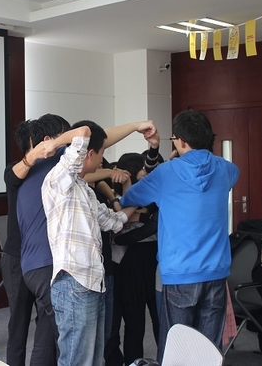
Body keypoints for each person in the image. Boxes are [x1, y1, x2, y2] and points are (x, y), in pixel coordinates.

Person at [120, 110, 239, 362]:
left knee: (176, 349)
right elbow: (231, 174)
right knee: (208, 351)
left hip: (180, 272)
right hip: (216, 272)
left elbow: (130, 197)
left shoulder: (166, 173)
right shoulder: (225, 169)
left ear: (181, 141)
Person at [42, 120, 155, 366]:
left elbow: (115, 221)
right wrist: (54, 145)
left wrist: (138, 195)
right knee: (77, 360)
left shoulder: (85, 190)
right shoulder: (59, 179)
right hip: (74, 282)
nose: (103, 160)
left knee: (94, 358)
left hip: (94, 283)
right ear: (90, 154)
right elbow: (84, 132)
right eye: (102, 152)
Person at [2, 115, 68, 366]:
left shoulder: (53, 168)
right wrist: (35, 154)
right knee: (18, 324)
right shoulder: (15, 170)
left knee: (47, 320)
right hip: (17, 258)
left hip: (43, 259)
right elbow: (13, 176)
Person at [107, 138, 161, 365]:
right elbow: (120, 225)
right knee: (134, 321)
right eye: (141, 170)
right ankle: (132, 361)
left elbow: (152, 221)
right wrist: (137, 216)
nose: (145, 174)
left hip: (151, 260)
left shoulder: (150, 196)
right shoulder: (113, 199)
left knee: (157, 319)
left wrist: (139, 217)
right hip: (128, 264)